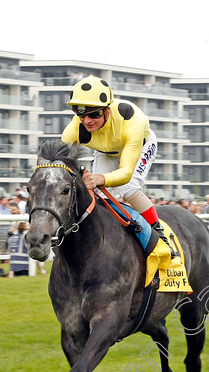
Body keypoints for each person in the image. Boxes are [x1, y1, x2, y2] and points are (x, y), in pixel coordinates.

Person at [61, 75, 178, 258]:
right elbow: (60, 161)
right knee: (98, 195)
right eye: (81, 114)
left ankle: (160, 235)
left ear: (107, 110)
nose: (87, 120)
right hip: (107, 152)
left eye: (94, 114)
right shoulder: (75, 127)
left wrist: (98, 179)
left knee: (128, 188)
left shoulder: (132, 121)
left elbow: (125, 173)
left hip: (140, 146)